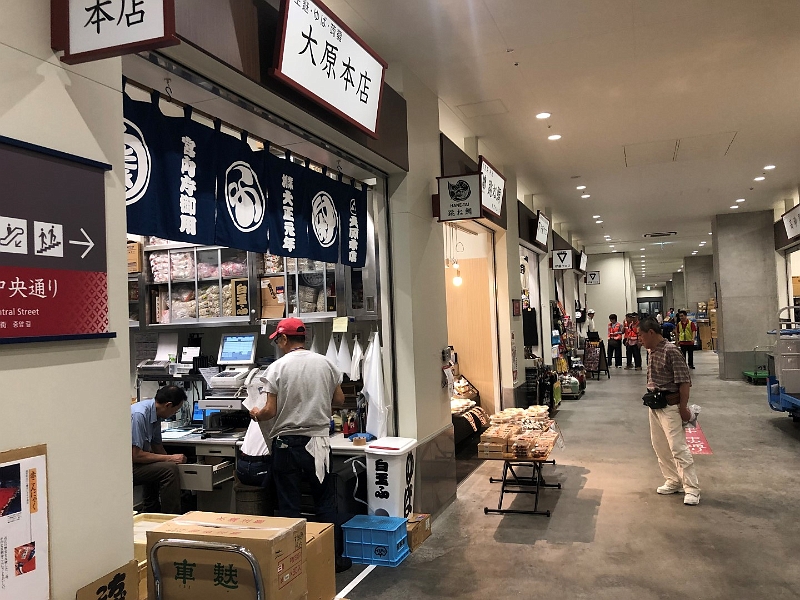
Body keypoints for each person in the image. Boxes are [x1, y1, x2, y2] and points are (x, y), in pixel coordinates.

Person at [250, 317, 350, 571]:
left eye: (278, 340)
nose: (278, 345)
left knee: (289, 506)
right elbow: (339, 400)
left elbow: (270, 410)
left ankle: (294, 564)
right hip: (318, 444)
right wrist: (317, 405)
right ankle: (333, 560)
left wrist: (256, 413)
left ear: (284, 338)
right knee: (325, 502)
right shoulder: (326, 363)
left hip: (286, 446)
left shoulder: (277, 368)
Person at [638, 316, 700, 505]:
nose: (640, 340)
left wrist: (683, 407)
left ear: (651, 332)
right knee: (660, 446)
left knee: (677, 447)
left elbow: (684, 382)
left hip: (671, 406)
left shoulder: (671, 351)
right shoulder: (651, 351)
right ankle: (673, 480)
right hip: (655, 405)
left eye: (641, 335)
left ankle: (692, 489)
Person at [131, 385, 188, 514]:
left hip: (136, 462)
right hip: (125, 467)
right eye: (176, 410)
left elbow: (157, 447)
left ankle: (151, 511)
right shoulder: (139, 415)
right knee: (169, 470)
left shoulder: (155, 415)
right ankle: (170, 516)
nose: (174, 413)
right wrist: (170, 459)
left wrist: (172, 461)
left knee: (162, 465)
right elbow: (136, 455)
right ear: (168, 405)